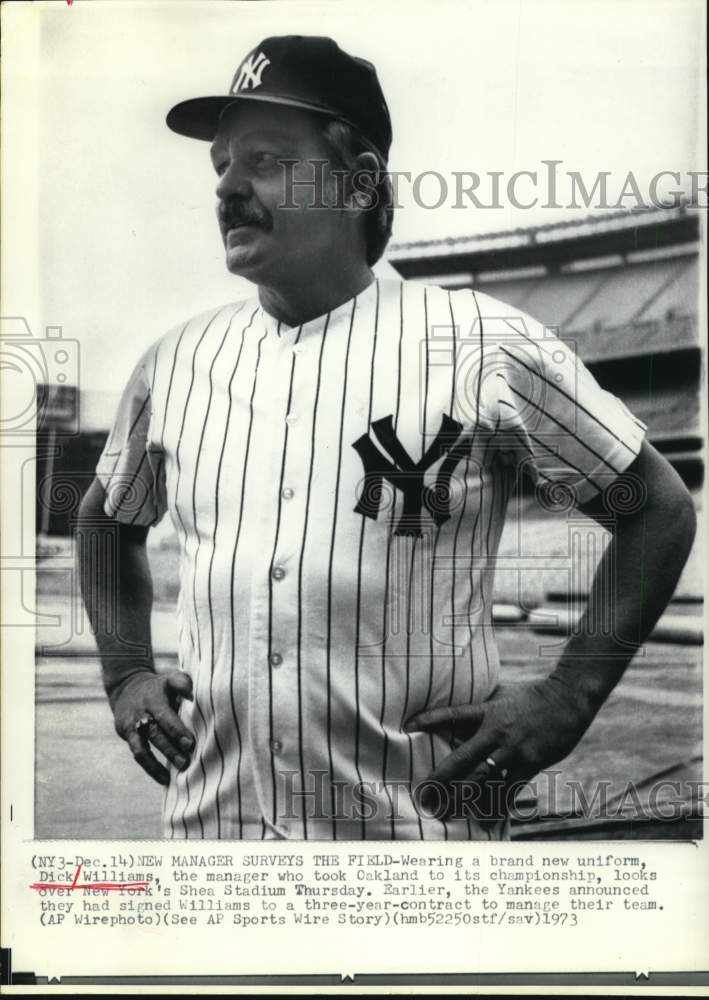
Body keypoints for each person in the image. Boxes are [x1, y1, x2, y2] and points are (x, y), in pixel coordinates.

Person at [77, 35, 696, 841]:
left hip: (415, 848)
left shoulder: (480, 343)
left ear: (360, 181)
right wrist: (125, 672)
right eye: (221, 165)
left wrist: (568, 697)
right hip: (214, 845)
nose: (227, 187)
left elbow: (656, 507)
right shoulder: (175, 362)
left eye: (263, 160)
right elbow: (105, 519)